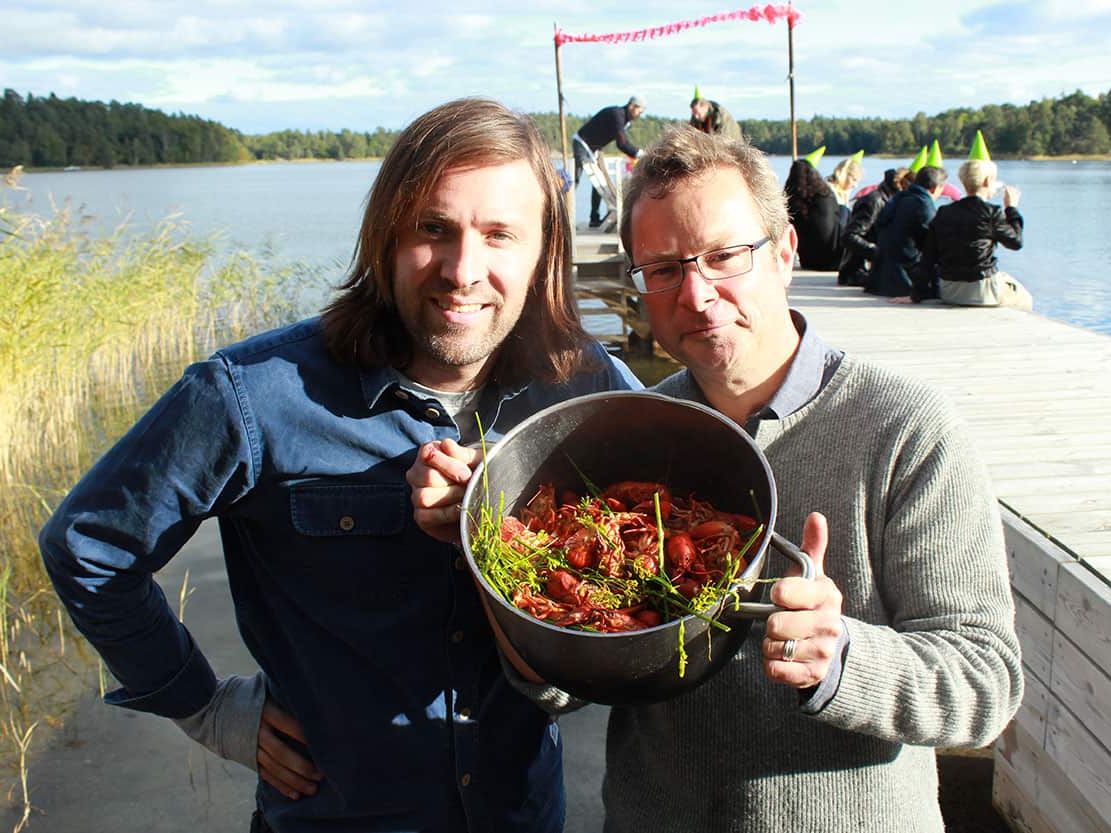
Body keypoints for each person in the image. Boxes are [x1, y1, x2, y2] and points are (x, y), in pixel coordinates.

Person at [39, 97, 641, 833]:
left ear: (544, 250)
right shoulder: (252, 395)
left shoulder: (586, 385)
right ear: (385, 236)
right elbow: (89, 545)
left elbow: (658, 556)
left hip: (520, 813)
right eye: (433, 228)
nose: (462, 269)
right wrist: (203, 705)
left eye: (499, 235)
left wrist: (517, 523)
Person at [410, 125, 1022, 833]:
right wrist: (484, 537)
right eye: (664, 269)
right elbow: (558, 687)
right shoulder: (627, 429)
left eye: (725, 256)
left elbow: (986, 681)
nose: (696, 294)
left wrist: (843, 656)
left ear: (786, 251)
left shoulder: (907, 429)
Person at [906, 159, 1032, 309]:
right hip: (981, 290)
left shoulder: (944, 212)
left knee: (1005, 279)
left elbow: (927, 259)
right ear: (988, 180)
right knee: (1024, 297)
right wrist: (1011, 209)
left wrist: (915, 295)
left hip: (949, 291)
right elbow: (1016, 242)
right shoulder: (991, 212)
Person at [865, 165, 947, 297]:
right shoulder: (923, 205)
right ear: (935, 188)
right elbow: (931, 246)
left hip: (879, 277)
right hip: (903, 281)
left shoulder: (898, 198)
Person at [573, 96, 645, 228]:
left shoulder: (623, 119)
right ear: (631, 106)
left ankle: (594, 219)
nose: (640, 115)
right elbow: (622, 143)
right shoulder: (617, 115)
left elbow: (622, 142)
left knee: (599, 182)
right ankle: (565, 216)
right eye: (639, 111)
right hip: (582, 143)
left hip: (593, 149)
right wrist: (641, 154)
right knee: (575, 181)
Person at [837, 166, 908, 286]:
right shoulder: (874, 201)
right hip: (857, 271)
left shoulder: (888, 199)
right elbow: (849, 236)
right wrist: (879, 253)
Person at [783, 157, 844, 271]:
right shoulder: (826, 196)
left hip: (808, 260)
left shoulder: (792, 203)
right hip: (833, 258)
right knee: (844, 210)